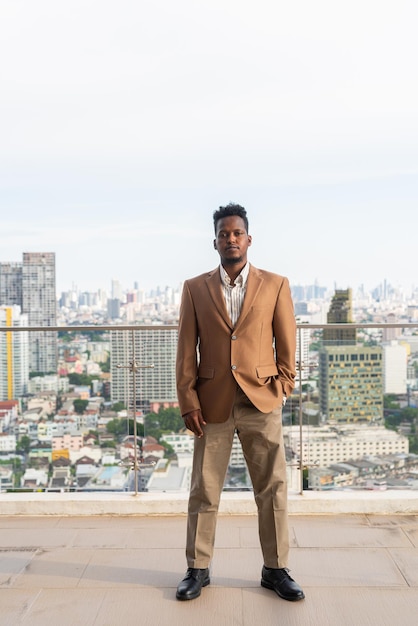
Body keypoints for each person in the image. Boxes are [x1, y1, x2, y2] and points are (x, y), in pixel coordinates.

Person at [175, 203, 304, 602]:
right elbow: (185, 351)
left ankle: (276, 569)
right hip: (211, 402)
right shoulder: (195, 287)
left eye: (237, 233)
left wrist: (282, 384)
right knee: (204, 489)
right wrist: (188, 400)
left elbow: (287, 341)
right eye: (223, 234)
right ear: (214, 241)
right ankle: (197, 569)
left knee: (272, 487)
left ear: (248, 239)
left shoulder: (276, 284)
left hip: (260, 399)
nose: (230, 239)